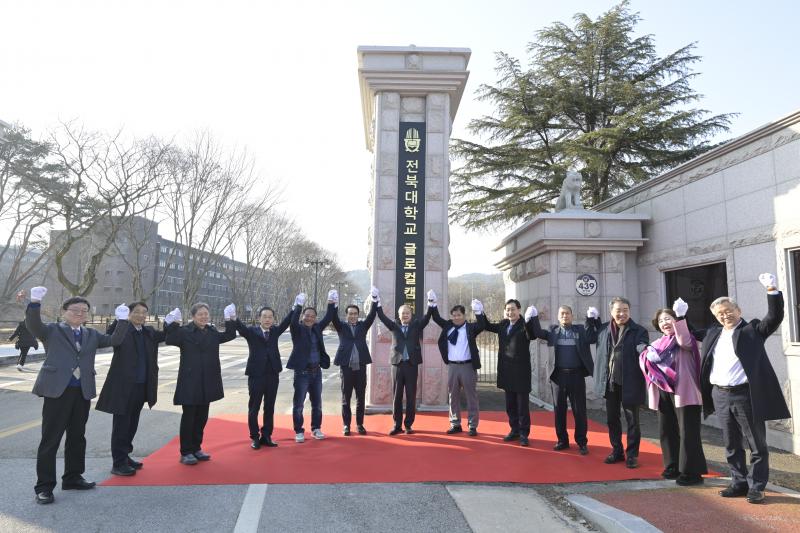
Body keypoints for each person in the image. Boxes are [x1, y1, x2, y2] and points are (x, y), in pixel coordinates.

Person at [25, 287, 130, 505]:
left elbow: (115, 341)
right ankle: (44, 487)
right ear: (65, 311)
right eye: (75, 310)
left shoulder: (91, 334)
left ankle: (73, 477)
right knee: (50, 440)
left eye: (84, 311)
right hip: (57, 391)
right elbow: (34, 325)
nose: (80, 314)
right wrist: (35, 302)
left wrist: (122, 320)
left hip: (82, 391)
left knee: (77, 437)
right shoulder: (52, 330)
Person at [699, 273, 791, 504]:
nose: (725, 315)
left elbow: (775, 316)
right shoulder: (714, 333)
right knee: (731, 443)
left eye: (729, 310)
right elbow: (689, 334)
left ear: (738, 310)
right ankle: (738, 482)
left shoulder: (753, 330)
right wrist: (677, 318)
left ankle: (757, 486)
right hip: (720, 394)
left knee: (756, 444)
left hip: (744, 394)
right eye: (720, 313)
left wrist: (771, 290)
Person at [95, 302, 179, 476]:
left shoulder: (148, 332)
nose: (141, 315)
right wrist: (120, 320)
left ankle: (125, 456)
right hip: (123, 386)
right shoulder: (123, 329)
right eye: (137, 312)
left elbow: (166, 336)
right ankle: (118, 463)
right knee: (121, 425)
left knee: (132, 423)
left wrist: (171, 323)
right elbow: (109, 338)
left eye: (144, 312)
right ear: (129, 314)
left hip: (142, 386)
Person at [640, 298, 707, 486]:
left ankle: (691, 472)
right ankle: (672, 466)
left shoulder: (685, 337)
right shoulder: (656, 343)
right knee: (666, 429)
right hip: (664, 391)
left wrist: (681, 318)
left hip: (684, 390)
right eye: (661, 321)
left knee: (688, 431)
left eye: (668, 318)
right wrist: (645, 354)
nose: (665, 323)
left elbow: (684, 341)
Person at [166, 302, 237, 465]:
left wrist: (229, 319)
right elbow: (169, 339)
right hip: (190, 381)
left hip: (208, 380)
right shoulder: (184, 332)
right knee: (189, 417)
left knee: (202, 417)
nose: (204, 317)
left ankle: (197, 448)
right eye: (200, 314)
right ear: (193, 316)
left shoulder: (211, 332)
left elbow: (229, 335)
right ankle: (186, 452)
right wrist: (172, 324)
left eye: (206, 314)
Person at [588, 297, 649, 468]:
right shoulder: (603, 329)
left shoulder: (639, 331)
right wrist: (589, 320)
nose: (621, 313)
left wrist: (644, 349)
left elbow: (641, 345)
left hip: (630, 382)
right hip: (610, 383)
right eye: (618, 310)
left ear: (629, 311)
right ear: (611, 311)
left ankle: (632, 455)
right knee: (612, 419)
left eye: (625, 310)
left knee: (632, 420)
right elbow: (588, 338)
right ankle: (617, 451)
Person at [528, 304, 595, 455]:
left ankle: (582, 442)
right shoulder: (553, 331)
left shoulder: (580, 330)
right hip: (558, 376)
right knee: (559, 410)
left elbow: (592, 337)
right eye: (562, 314)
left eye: (567, 313)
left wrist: (591, 319)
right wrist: (533, 317)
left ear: (572, 315)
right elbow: (538, 332)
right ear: (558, 317)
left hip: (576, 375)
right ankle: (562, 440)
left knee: (580, 411)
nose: (565, 316)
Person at [475, 298, 536, 447]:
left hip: (521, 372)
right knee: (510, 404)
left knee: (522, 406)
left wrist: (531, 321)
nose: (510, 312)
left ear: (519, 310)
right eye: (508, 309)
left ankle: (523, 434)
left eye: (513, 309)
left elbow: (532, 335)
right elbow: (488, 326)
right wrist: (479, 312)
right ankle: (514, 430)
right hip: (507, 370)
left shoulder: (524, 324)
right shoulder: (503, 324)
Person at [375, 286, 433, 435]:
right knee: (397, 395)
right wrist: (377, 301)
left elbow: (427, 317)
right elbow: (381, 316)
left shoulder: (416, 325)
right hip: (397, 365)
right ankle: (397, 425)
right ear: (399, 315)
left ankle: (408, 425)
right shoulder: (394, 326)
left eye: (407, 313)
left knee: (411, 395)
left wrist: (431, 303)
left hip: (412, 365)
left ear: (411, 314)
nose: (405, 315)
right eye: (402, 313)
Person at [235, 305, 293, 449]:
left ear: (273, 319)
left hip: (272, 374)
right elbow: (241, 328)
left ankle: (266, 435)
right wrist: (233, 318)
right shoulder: (251, 331)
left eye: (270, 317)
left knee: (269, 406)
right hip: (256, 375)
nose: (267, 319)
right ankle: (255, 437)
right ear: (259, 318)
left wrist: (295, 308)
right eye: (265, 316)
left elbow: (287, 321)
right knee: (254, 407)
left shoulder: (275, 331)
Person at [429, 291, 484, 436]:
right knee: (453, 396)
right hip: (453, 366)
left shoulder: (471, 328)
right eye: (453, 315)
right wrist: (432, 303)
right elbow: (435, 317)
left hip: (467, 366)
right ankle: (455, 424)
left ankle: (472, 425)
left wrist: (478, 311)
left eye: (459, 315)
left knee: (471, 396)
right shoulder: (448, 326)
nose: (456, 317)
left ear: (464, 316)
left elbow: (482, 324)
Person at [327, 290, 378, 436]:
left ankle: (360, 424)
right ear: (346, 315)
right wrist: (332, 304)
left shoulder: (363, 326)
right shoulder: (341, 326)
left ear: (358, 314)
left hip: (361, 366)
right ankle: (346, 425)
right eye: (350, 313)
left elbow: (372, 316)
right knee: (346, 397)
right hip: (346, 367)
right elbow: (333, 317)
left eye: (355, 313)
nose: (353, 316)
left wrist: (375, 300)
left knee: (360, 397)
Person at [287, 292, 334, 443]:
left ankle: (316, 428)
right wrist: (298, 305)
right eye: (307, 315)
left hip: (316, 372)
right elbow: (293, 320)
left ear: (315, 319)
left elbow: (328, 317)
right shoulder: (297, 329)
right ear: (303, 316)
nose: (309, 318)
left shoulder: (317, 329)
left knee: (317, 404)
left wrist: (331, 303)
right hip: (302, 373)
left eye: (312, 316)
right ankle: (299, 431)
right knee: (299, 404)